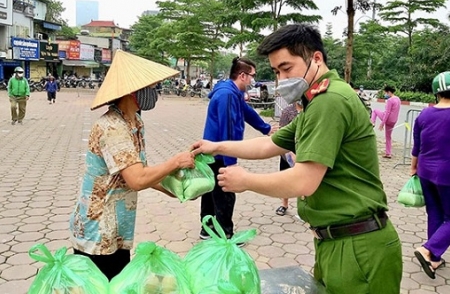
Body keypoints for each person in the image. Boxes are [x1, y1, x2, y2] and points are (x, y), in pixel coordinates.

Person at [191, 24, 402, 294]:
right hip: (338, 241)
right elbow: (270, 144)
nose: (281, 79)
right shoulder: (316, 101)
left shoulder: (330, 101)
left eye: (287, 68)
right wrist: (216, 145)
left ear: (315, 58)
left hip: (358, 245)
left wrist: (246, 180)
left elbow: (304, 181)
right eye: (277, 71)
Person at [69, 50, 195, 281]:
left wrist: (178, 190)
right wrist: (176, 161)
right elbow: (137, 180)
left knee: (118, 282)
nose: (154, 93)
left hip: (118, 227)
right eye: (150, 87)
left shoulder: (134, 122)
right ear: (132, 92)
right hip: (99, 231)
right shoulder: (112, 127)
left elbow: (142, 172)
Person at [199, 56, 274, 245]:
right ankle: (225, 235)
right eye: (252, 76)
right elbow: (228, 130)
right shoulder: (227, 95)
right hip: (220, 152)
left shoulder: (233, 91)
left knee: (212, 189)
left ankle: (207, 229)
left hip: (215, 150)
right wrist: (231, 163)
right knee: (225, 191)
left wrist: (265, 128)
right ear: (242, 75)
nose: (253, 81)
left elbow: (246, 111)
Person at [411, 71, 450, 280]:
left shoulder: (425, 114)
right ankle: (428, 249)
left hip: (425, 171)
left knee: (435, 212)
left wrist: (412, 169)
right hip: (448, 173)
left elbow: (417, 146)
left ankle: (434, 258)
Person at [275, 101, 302, 216]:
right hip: (288, 151)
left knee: (305, 180)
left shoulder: (312, 109)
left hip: (306, 151)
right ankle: (284, 204)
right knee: (285, 179)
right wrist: (290, 153)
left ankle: (305, 207)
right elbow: (281, 134)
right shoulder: (288, 111)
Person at [370, 85, 401, 158]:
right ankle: (388, 153)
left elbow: (387, 113)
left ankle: (372, 122)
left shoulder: (390, 100)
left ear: (389, 92)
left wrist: (382, 123)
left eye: (386, 93)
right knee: (388, 137)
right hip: (393, 120)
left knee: (375, 111)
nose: (385, 94)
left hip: (387, 119)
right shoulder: (398, 99)